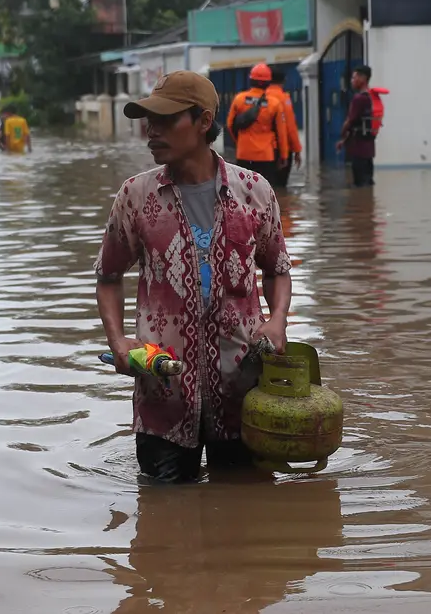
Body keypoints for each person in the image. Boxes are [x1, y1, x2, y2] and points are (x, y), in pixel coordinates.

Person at [95, 70, 292, 485]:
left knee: (247, 515)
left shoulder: (254, 191)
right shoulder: (135, 196)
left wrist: (277, 322)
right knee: (162, 526)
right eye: (149, 120)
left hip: (244, 396)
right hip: (163, 399)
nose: (152, 131)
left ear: (203, 122)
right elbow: (108, 275)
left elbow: (276, 269)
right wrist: (117, 341)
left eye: (166, 120)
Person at [225, 63, 290, 188]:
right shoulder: (274, 103)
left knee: (243, 192)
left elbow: (230, 125)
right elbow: (281, 134)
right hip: (266, 156)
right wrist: (284, 156)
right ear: (268, 82)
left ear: (251, 80)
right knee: (264, 194)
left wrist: (240, 142)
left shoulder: (239, 99)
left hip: (244, 153)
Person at [336, 65, 377, 188]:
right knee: (368, 184)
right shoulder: (372, 97)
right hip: (369, 149)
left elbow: (350, 121)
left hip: (358, 150)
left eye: (354, 78)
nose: (352, 81)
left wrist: (342, 134)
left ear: (363, 78)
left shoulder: (358, 99)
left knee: (360, 185)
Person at [267, 66, 302, 189]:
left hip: (262, 151)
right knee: (280, 187)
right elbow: (290, 126)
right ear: (284, 80)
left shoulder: (260, 97)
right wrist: (297, 150)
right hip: (281, 149)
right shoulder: (283, 98)